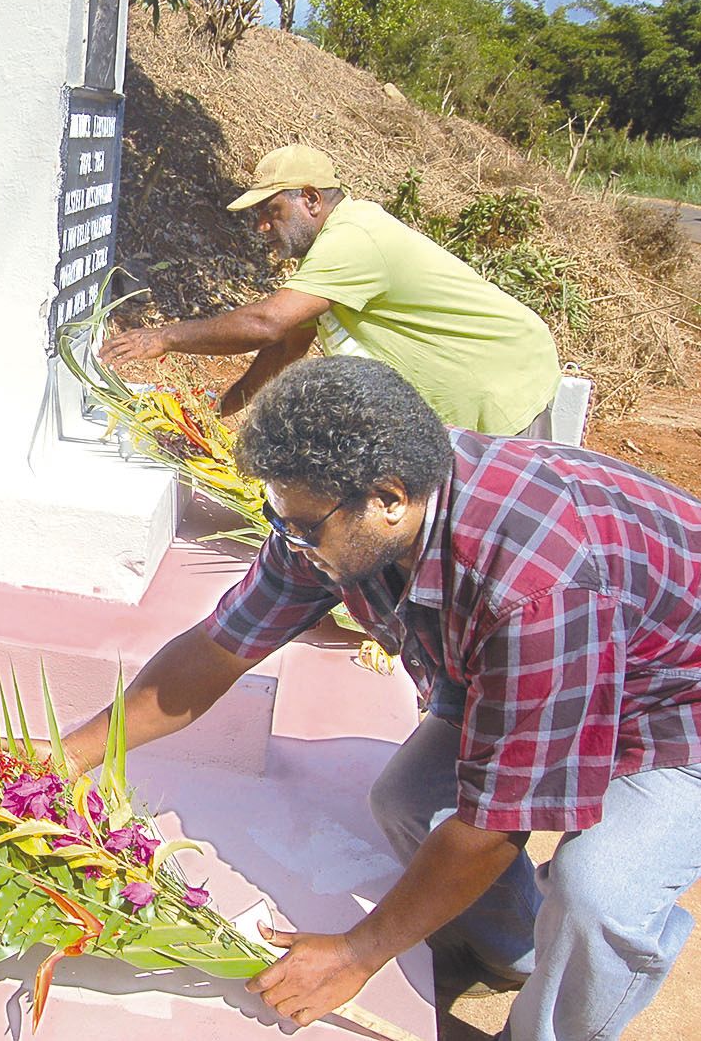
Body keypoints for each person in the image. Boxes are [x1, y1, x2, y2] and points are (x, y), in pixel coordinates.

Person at [61, 357, 701, 1041]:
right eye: (281, 521)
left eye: (304, 528)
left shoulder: (536, 588)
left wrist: (357, 953)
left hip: (673, 701)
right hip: (539, 659)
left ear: (389, 499)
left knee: (597, 898)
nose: (291, 543)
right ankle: (518, 951)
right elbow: (220, 647)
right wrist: (66, 755)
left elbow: (495, 820)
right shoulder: (334, 512)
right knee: (404, 803)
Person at [100, 145, 562, 437]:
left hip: (501, 387)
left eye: (271, 211)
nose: (261, 227)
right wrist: (217, 415)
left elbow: (267, 323)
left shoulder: (353, 238)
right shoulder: (329, 254)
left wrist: (163, 338)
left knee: (482, 540)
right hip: (489, 383)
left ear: (311, 198)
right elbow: (284, 346)